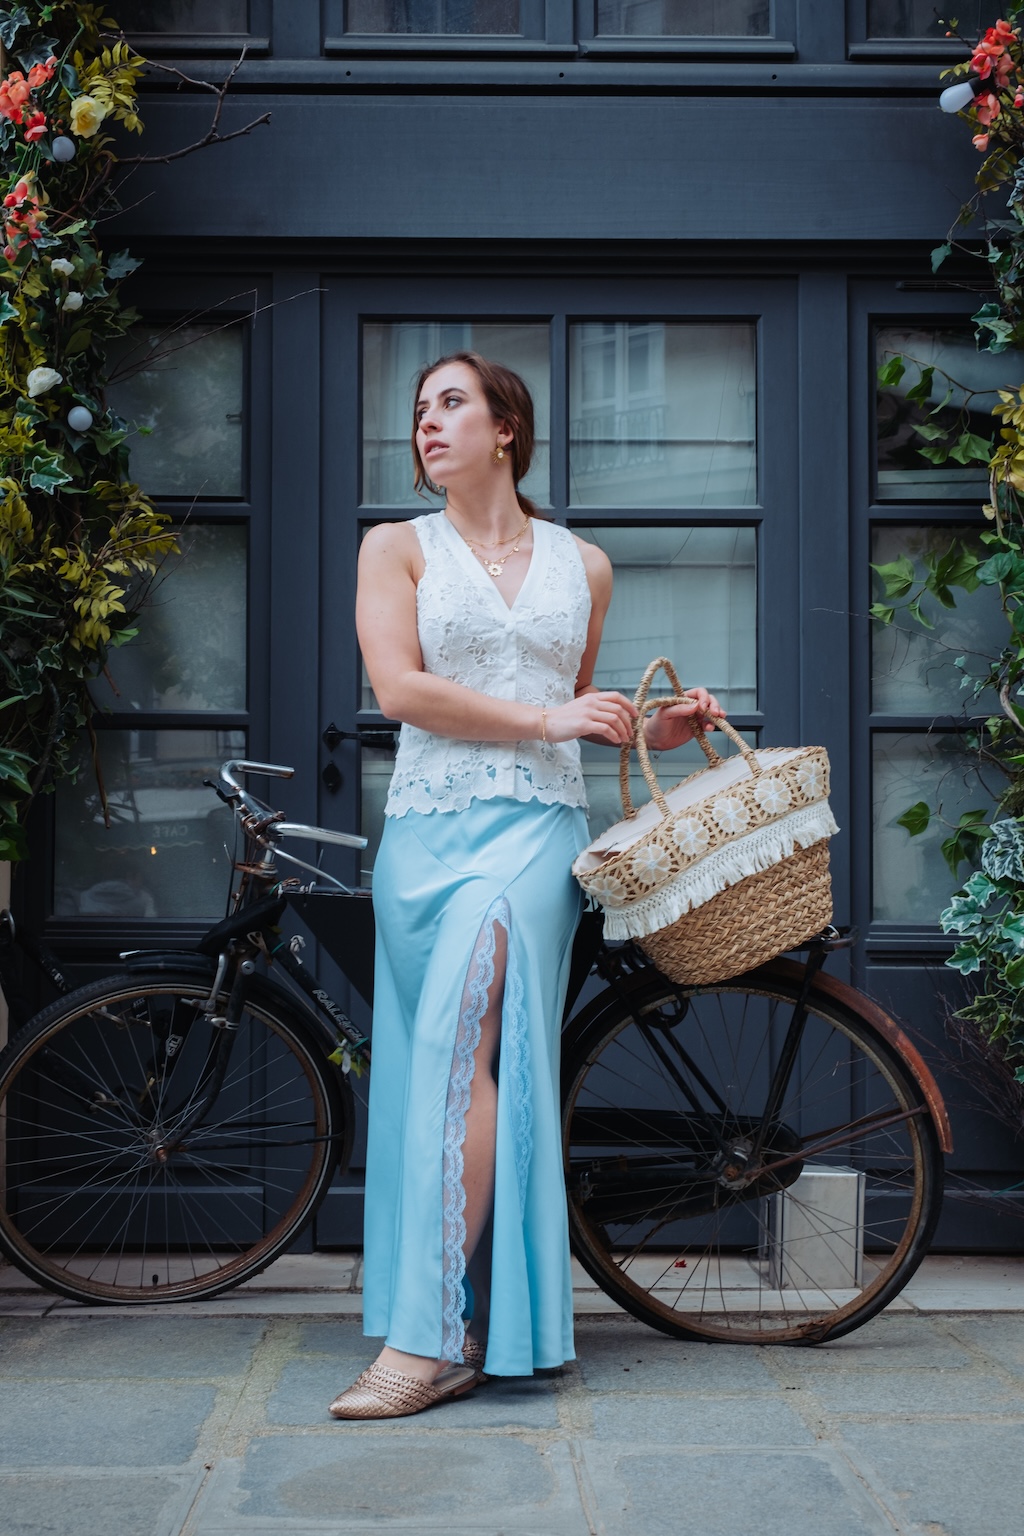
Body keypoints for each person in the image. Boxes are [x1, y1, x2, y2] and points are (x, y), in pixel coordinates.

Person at [329, 352, 724, 1420]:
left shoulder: (583, 565)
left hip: (534, 837)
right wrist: (555, 717)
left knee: (461, 1038)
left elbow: (573, 702)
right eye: (419, 410)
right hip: (425, 838)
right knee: (447, 1065)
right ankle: (477, 1320)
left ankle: (424, 1340)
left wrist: (653, 729)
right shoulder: (394, 548)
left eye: (451, 403)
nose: (427, 423)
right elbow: (401, 690)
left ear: (507, 428)